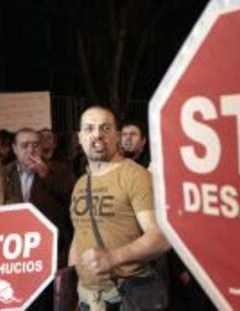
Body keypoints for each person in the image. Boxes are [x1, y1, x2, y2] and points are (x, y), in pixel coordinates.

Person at [69, 106, 170, 311]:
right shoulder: (81, 183)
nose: (97, 134)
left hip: (125, 298)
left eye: (105, 128)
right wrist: (73, 278)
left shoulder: (135, 175)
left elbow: (161, 237)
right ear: (80, 137)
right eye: (89, 128)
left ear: (117, 136)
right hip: (88, 299)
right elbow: (79, 234)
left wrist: (113, 258)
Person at [4, 128, 74, 310]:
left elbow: (72, 198)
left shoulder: (59, 169)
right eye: (24, 146)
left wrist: (46, 176)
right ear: (14, 149)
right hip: (15, 253)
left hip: (50, 250)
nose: (30, 150)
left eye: (35, 145)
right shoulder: (4, 174)